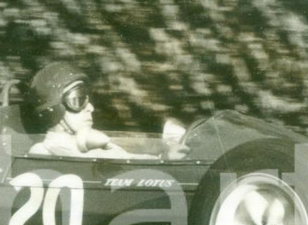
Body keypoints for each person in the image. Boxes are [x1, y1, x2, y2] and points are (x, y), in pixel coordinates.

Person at [25, 62, 187, 160]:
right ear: (53, 109)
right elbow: (120, 167)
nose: (90, 108)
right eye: (78, 99)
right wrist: (163, 158)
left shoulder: (84, 145)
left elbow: (127, 160)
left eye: (88, 100)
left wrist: (163, 157)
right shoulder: (55, 149)